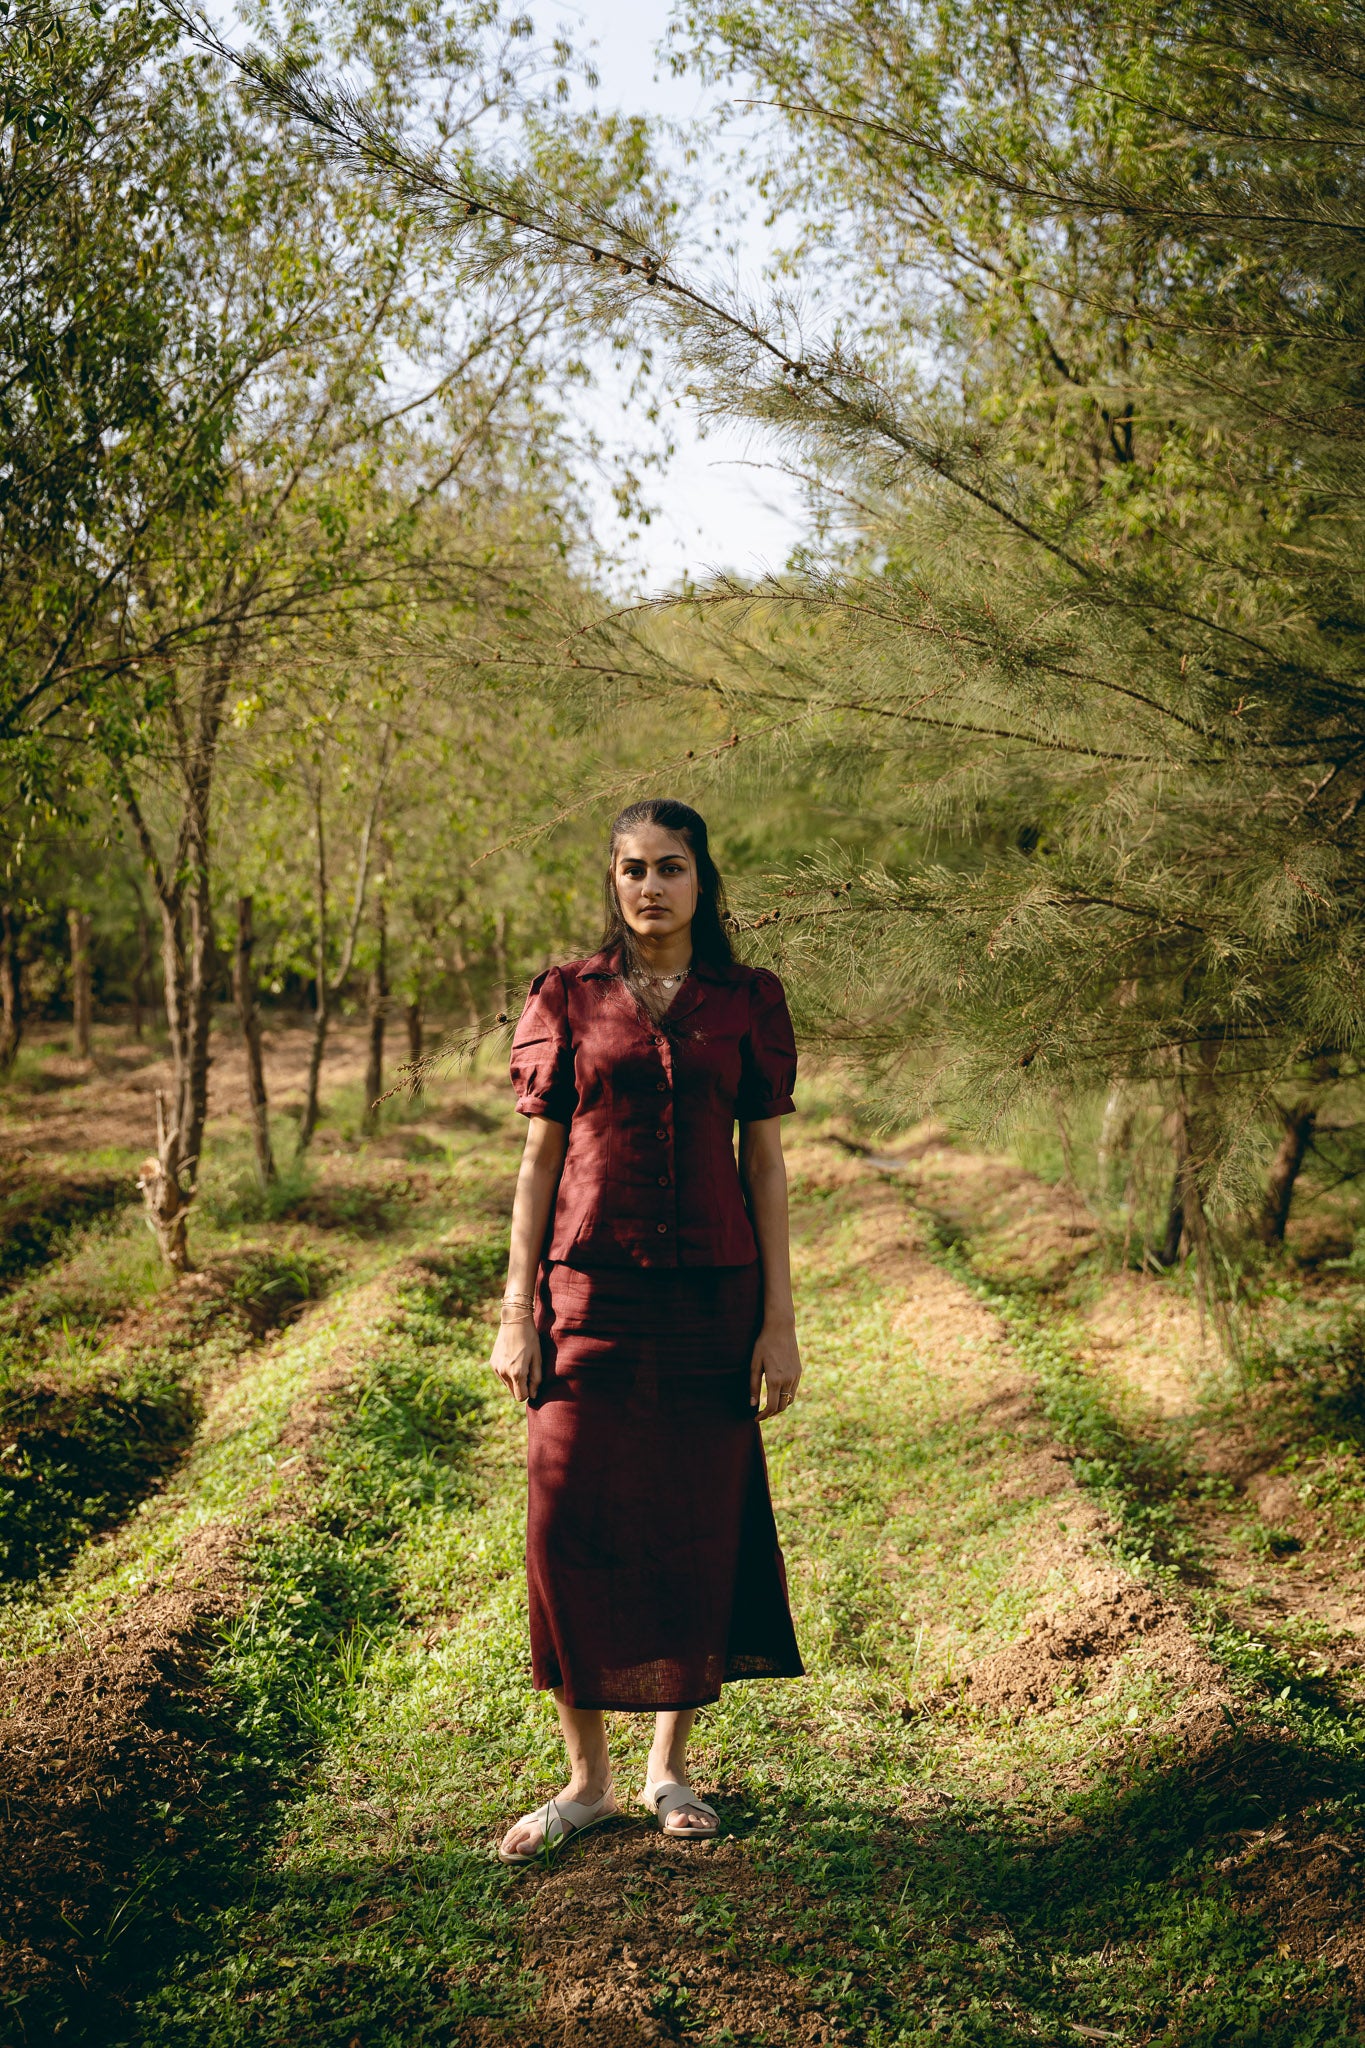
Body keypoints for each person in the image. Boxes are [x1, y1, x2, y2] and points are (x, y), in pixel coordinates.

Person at [490, 797, 805, 1864]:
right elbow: (537, 1162)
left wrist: (778, 1323)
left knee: (696, 1520)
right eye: (633, 868)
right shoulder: (566, 996)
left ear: (701, 879)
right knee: (564, 1521)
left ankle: (669, 1769)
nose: (651, 886)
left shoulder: (747, 999)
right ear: (613, 879)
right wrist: (517, 1313)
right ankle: (585, 1781)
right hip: (588, 1297)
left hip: (711, 1300)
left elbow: (764, 1163)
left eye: (671, 867)